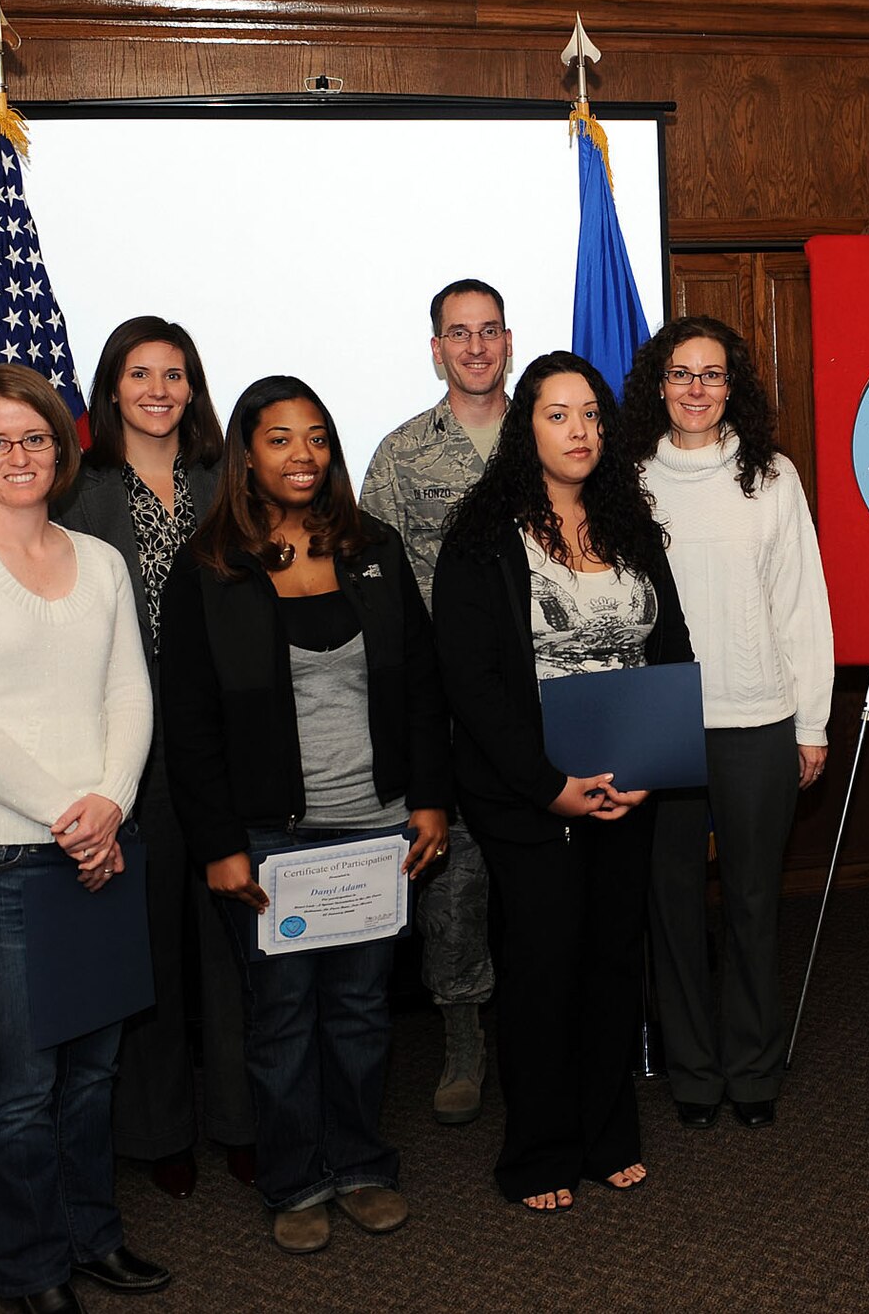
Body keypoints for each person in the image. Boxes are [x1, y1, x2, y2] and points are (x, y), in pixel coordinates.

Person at [0, 363, 168, 1312]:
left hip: (101, 844)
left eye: (36, 438)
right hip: (3, 861)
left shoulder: (100, 560)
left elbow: (129, 691)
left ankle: (92, 1237)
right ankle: (28, 1268)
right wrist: (73, 813)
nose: (20, 456)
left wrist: (109, 802)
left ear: (61, 447)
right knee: (22, 1080)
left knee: (94, 1069)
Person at [161, 375, 449, 1255]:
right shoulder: (210, 570)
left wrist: (429, 800)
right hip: (268, 838)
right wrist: (218, 845)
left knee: (362, 1010)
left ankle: (361, 1164)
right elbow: (191, 718)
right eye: (280, 438)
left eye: (317, 437)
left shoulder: (376, 550)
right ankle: (296, 1180)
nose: (302, 455)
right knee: (281, 1015)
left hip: (376, 827)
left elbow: (422, 688)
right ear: (246, 452)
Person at [432, 352, 692, 1211]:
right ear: (525, 428)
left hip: (629, 786)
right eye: (557, 415)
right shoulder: (481, 539)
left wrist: (651, 766)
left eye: (590, 415)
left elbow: (670, 650)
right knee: (545, 966)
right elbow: (471, 685)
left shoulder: (631, 523)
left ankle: (608, 1130)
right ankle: (540, 1151)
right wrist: (549, 785)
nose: (579, 430)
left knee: (616, 960)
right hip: (530, 796)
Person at [55, 316, 253, 1198]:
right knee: (151, 947)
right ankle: (160, 1126)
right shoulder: (79, 491)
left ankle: (245, 1118)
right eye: (141, 374)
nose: (159, 390)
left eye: (175, 374)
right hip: (128, 747)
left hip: (223, 740)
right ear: (113, 386)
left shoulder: (224, 479)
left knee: (234, 940)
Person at [620, 317, 833, 1131]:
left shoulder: (770, 475)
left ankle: (753, 1068)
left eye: (712, 374)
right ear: (659, 384)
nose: (697, 389)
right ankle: (693, 1072)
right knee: (671, 904)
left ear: (733, 385)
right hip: (660, 717)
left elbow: (801, 602)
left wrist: (810, 721)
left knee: (751, 900)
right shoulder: (628, 477)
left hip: (757, 713)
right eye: (681, 373)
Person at [359, 277, 508, 1125]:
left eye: (489, 330)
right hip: (448, 704)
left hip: (551, 694)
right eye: (459, 333)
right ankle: (463, 1036)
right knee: (453, 882)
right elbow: (374, 580)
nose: (476, 347)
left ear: (508, 338)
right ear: (436, 348)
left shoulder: (549, 430)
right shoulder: (401, 452)